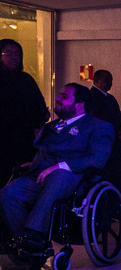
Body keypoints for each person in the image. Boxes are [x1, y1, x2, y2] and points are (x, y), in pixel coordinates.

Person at [0, 83, 113, 253]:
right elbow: (44, 153)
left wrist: (60, 166)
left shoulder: (98, 127)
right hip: (40, 175)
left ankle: (35, 235)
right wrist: (34, 165)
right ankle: (23, 241)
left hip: (75, 177)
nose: (58, 99)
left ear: (79, 105)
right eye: (59, 95)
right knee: (9, 193)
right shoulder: (51, 126)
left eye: (64, 97)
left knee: (58, 176)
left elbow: (97, 159)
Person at [0, 39, 49, 185]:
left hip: (24, 140)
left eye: (17, 54)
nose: (14, 57)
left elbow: (39, 109)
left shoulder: (25, 80)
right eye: (9, 53)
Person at [87, 69, 121, 191]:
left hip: (113, 145)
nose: (110, 83)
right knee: (107, 178)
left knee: (115, 177)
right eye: (107, 80)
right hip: (103, 145)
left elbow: (120, 117)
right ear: (97, 80)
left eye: (111, 80)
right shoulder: (91, 98)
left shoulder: (111, 99)